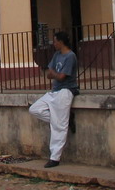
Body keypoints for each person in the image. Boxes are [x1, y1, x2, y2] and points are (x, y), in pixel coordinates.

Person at [29, 31, 79, 168]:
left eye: (55, 41)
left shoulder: (70, 56)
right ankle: (65, 119)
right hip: (54, 91)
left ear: (61, 42)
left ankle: (55, 157)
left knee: (58, 127)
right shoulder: (57, 55)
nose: (54, 43)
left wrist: (54, 75)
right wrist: (55, 75)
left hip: (66, 90)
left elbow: (62, 76)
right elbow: (49, 74)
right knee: (34, 109)